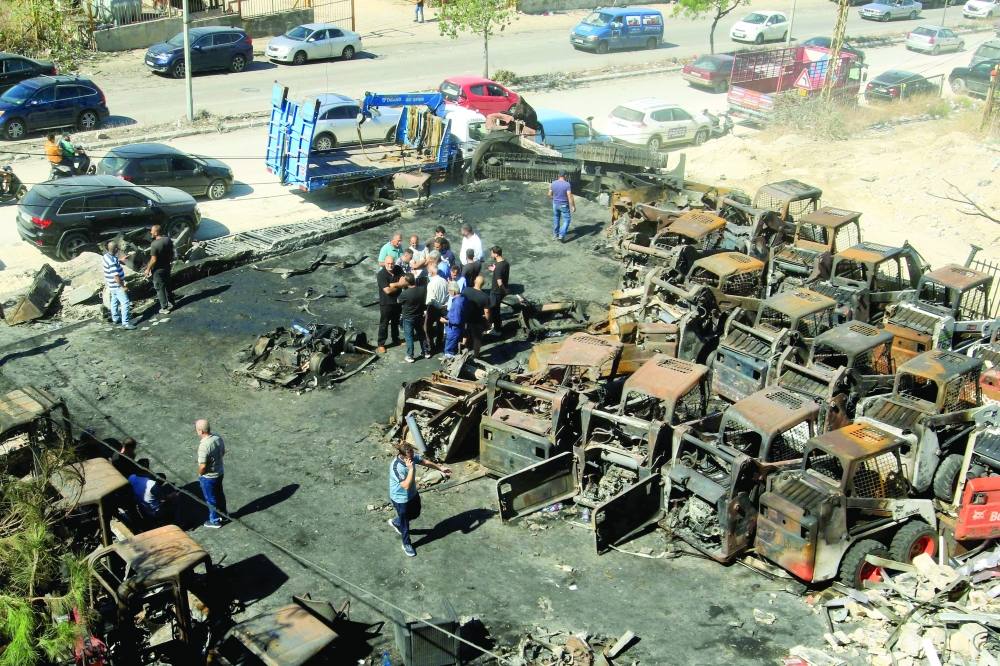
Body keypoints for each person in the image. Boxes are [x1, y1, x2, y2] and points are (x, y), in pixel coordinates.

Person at [388, 442, 451, 556]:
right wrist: (411, 468)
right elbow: (405, 485)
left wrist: (441, 468)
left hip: (412, 494)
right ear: (402, 455)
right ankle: (406, 543)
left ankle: (396, 522)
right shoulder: (397, 467)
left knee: (415, 513)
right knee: (405, 523)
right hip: (400, 498)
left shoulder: (411, 456)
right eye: (410, 455)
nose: (412, 456)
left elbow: (424, 461)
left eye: (412, 453)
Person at [196, 419, 227, 528]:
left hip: (209, 477)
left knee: (211, 499)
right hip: (219, 472)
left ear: (201, 431)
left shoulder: (204, 446)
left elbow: (203, 466)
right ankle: (224, 515)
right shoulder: (217, 437)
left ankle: (214, 520)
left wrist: (200, 474)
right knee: (219, 494)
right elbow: (223, 451)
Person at [103, 241, 136, 330]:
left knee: (114, 301)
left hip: (111, 285)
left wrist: (121, 259)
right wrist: (123, 286)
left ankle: (116, 318)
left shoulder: (107, 256)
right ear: (116, 249)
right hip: (117, 286)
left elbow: (113, 261)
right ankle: (125, 323)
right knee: (125, 303)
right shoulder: (112, 261)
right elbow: (116, 276)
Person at [377, 256, 407, 353]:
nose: (390, 265)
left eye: (392, 263)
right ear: (385, 264)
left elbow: (405, 281)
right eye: (388, 264)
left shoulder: (398, 269)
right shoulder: (381, 275)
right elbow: (388, 291)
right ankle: (381, 343)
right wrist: (399, 284)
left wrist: (393, 284)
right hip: (386, 303)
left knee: (395, 322)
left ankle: (395, 339)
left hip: (397, 301)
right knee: (384, 324)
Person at [398, 274, 430, 362]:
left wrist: (401, 285)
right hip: (419, 316)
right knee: (421, 334)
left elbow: (398, 300)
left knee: (409, 337)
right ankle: (426, 351)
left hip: (408, 317)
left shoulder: (405, 293)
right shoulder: (422, 290)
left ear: (407, 282)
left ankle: (410, 356)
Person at [145, 225, 174, 315]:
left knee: (160, 288)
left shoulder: (154, 244)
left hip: (158, 270)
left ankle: (164, 308)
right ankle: (172, 302)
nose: (151, 232)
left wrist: (147, 269)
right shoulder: (167, 240)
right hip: (167, 266)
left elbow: (153, 259)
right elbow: (172, 251)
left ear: (156, 232)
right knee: (168, 285)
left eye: (152, 230)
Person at [461, 276, 490, 357]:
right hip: (477, 320)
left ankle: (462, 349)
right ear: (483, 284)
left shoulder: (466, 290)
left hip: (466, 317)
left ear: (474, 281)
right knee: (477, 338)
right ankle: (476, 355)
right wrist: (488, 321)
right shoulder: (485, 296)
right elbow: (487, 311)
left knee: (465, 334)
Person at [424, 259, 449, 352]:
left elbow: (432, 299)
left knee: (427, 326)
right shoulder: (444, 281)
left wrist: (439, 306)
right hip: (443, 306)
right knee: (440, 326)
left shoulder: (431, 284)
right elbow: (447, 295)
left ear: (431, 272)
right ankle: (439, 343)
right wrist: (444, 305)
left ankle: (431, 345)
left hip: (433, 308)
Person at [548, 169, 576, 242]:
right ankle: (561, 235)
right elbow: (570, 196)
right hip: (564, 205)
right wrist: (573, 206)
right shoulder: (567, 184)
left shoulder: (553, 183)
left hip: (555, 204)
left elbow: (549, 194)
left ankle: (555, 234)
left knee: (556, 218)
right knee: (567, 220)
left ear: (558, 175)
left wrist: (553, 198)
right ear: (565, 176)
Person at [487, 246, 509, 334]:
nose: (491, 255)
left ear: (496, 254)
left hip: (496, 292)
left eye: (492, 253)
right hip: (500, 291)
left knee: (494, 311)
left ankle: (497, 330)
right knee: (496, 309)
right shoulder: (505, 263)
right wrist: (495, 269)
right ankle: (498, 325)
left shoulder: (498, 268)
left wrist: (504, 291)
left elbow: (499, 283)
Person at [442, 282, 465, 358]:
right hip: (457, 330)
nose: (448, 292)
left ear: (453, 291)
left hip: (453, 331)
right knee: (454, 350)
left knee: (449, 352)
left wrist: (445, 321)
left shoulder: (457, 303)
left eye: (449, 291)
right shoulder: (462, 298)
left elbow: (457, 320)